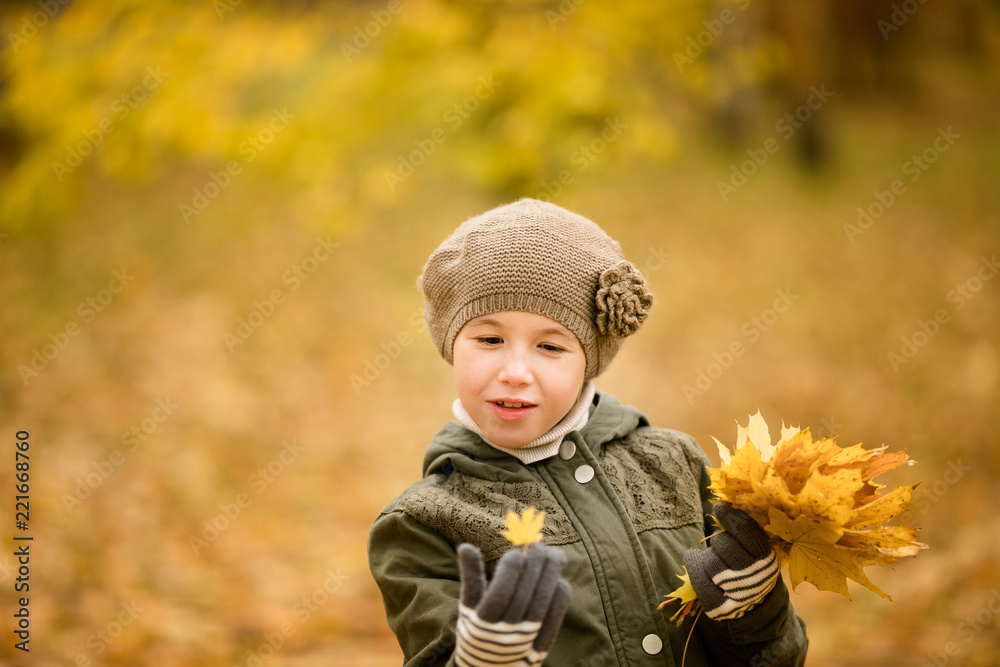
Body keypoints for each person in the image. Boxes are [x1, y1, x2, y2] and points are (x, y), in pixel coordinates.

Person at [368, 198, 808, 666]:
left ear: (590, 361)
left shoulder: (676, 465)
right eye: (490, 339)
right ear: (451, 344)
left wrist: (752, 608)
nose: (515, 371)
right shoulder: (423, 523)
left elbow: (777, 658)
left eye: (550, 346)